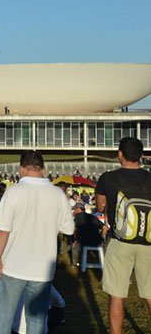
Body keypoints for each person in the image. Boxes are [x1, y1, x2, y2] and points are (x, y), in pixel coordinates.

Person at [0, 150, 74, 334]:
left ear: (22, 168)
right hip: (42, 268)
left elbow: (3, 230)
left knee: (1, 319)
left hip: (13, 265)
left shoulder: (13, 192)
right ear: (42, 169)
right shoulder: (57, 194)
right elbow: (68, 229)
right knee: (36, 322)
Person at [95, 137, 151, 334]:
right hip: (148, 241)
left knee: (117, 294)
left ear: (120, 154)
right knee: (150, 293)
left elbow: (100, 206)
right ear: (142, 156)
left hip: (120, 240)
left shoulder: (108, 178)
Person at [70, 202, 104, 268]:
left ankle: (75, 263)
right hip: (97, 241)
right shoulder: (93, 217)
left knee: (74, 244)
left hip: (84, 241)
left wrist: (75, 240)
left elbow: (73, 230)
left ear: (78, 209)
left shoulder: (77, 218)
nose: (74, 210)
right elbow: (104, 228)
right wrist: (101, 237)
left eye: (75, 209)